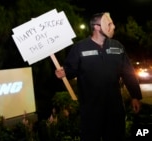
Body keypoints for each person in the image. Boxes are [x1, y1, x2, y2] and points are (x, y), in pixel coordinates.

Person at [55, 12, 142, 141]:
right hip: (90, 109)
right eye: (109, 24)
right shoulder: (79, 48)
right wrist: (63, 72)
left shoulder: (117, 46)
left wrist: (135, 96)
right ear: (97, 27)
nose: (113, 26)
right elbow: (70, 70)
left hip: (115, 108)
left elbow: (128, 73)